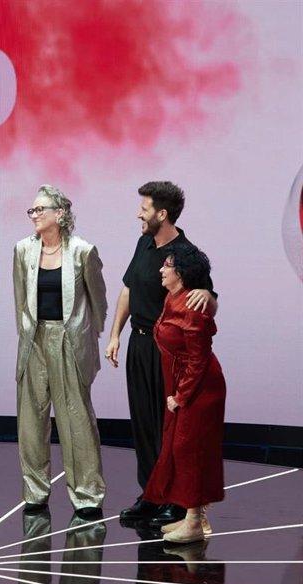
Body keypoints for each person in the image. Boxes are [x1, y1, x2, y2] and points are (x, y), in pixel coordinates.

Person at [105, 181, 217, 527]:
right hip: (139, 344)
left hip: (168, 350)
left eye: (144, 208)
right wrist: (115, 334)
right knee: (143, 424)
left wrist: (208, 297)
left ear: (162, 214)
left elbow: (208, 301)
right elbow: (128, 289)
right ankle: (151, 494)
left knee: (169, 427)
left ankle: (175, 500)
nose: (138, 214)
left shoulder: (185, 254)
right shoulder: (143, 243)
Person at [13, 185, 107, 520]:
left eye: (40, 209)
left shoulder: (83, 251)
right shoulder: (23, 250)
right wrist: (27, 334)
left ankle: (87, 494)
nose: (34, 215)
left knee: (76, 419)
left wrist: (88, 340)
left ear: (60, 213)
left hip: (69, 340)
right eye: (32, 210)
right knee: (31, 421)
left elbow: (98, 303)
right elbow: (20, 300)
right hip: (34, 340)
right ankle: (35, 491)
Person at [143, 245, 226, 543]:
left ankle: (193, 523)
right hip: (184, 382)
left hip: (200, 388)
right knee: (180, 449)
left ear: (181, 273)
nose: (161, 270)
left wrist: (181, 396)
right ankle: (194, 517)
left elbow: (198, 360)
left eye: (167, 266)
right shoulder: (172, 298)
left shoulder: (192, 306)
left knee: (189, 450)